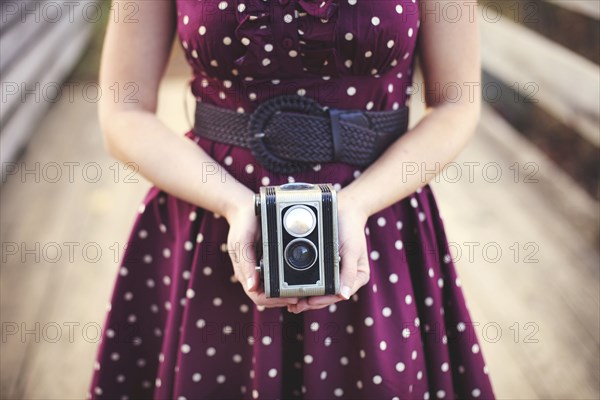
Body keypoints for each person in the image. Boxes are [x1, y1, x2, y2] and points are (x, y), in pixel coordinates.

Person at [89, 0, 495, 399]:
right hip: (214, 220)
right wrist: (233, 204)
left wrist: (356, 205)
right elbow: (124, 111)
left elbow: (456, 104)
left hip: (374, 225)